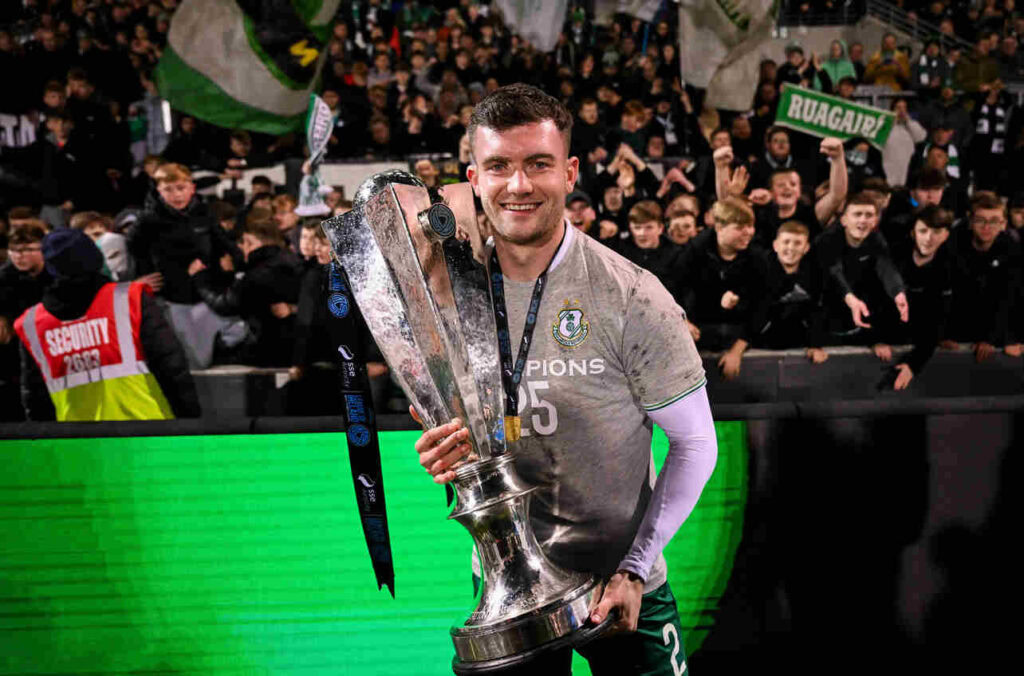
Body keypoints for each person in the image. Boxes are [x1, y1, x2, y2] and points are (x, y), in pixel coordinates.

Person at [412, 84, 717, 675]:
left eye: (538, 164)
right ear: (474, 177)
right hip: (510, 592)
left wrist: (634, 567)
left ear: (570, 172)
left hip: (621, 588)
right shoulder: (446, 295)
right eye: (499, 166)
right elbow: (452, 416)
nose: (518, 185)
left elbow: (696, 444)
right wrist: (443, 446)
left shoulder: (630, 295)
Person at [14, 229, 199, 421]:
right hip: (147, 433)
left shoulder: (32, 324)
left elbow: (36, 399)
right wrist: (190, 420)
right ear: (95, 258)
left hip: (80, 444)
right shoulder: (129, 299)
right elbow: (171, 367)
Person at [676, 197, 770, 380]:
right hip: (697, 328)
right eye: (740, 228)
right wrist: (682, 321)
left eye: (750, 226)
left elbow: (763, 308)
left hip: (740, 331)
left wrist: (737, 351)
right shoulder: (694, 251)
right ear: (719, 228)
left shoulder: (758, 259)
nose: (748, 233)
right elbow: (673, 291)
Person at [813, 194, 909, 360]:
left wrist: (898, 292)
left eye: (869, 215)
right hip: (825, 309)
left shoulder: (876, 239)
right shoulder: (827, 239)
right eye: (857, 214)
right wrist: (850, 298)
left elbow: (885, 266)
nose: (863, 220)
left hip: (858, 310)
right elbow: (834, 272)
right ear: (844, 220)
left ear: (875, 221)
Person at [887, 206, 954, 390]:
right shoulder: (893, 257)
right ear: (912, 233)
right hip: (886, 335)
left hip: (921, 339)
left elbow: (937, 320)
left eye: (937, 232)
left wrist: (913, 364)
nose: (929, 238)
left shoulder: (949, 267)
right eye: (923, 231)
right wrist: (876, 339)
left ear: (946, 235)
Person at [0, 223, 52, 421]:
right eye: (14, 250)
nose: (20, 256)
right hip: (14, 357)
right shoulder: (3, 279)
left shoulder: (55, 277)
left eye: (28, 249)